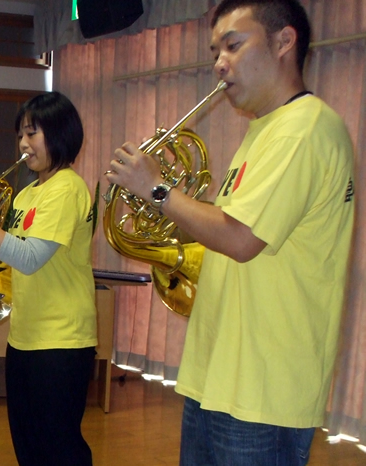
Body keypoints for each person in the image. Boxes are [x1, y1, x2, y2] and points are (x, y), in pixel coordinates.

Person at [105, 0, 355, 464]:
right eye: (215, 50)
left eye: (234, 46)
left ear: (284, 41)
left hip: (263, 388)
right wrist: (171, 197)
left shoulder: (305, 128)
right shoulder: (265, 130)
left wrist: (157, 189)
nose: (220, 62)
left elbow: (241, 239)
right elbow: (223, 228)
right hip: (222, 375)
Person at [0, 92, 98, 466]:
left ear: (59, 133)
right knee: (28, 446)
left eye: (32, 134)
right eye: (21, 135)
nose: (23, 144)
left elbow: (30, 258)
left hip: (62, 341)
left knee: (59, 449)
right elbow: (5, 253)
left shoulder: (67, 187)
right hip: (25, 337)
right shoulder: (29, 191)